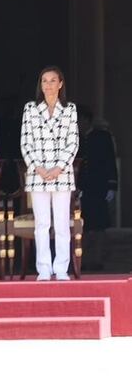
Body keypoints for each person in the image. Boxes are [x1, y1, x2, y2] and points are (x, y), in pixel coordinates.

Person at [20, 66, 79, 281]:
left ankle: (61, 268)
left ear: (60, 83)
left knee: (62, 223)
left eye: (53, 80)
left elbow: (73, 142)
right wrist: (38, 167)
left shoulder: (70, 109)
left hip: (62, 174)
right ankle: (44, 268)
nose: (48, 85)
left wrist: (59, 167)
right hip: (38, 174)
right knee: (42, 223)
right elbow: (25, 142)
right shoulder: (30, 109)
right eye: (44, 80)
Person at [77, 106, 118, 270]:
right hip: (83, 189)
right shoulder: (75, 138)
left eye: (79, 120)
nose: (77, 124)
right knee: (84, 225)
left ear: (86, 120)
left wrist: (112, 185)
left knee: (99, 226)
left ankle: (98, 259)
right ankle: (83, 260)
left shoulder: (102, 136)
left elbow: (110, 161)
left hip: (99, 187)